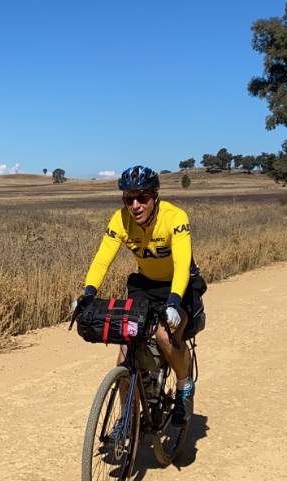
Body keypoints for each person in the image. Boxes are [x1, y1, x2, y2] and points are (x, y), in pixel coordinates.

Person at [74, 165, 206, 425]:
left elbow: (181, 265)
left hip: (179, 286)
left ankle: (183, 385)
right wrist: (88, 293)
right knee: (126, 343)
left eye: (142, 198)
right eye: (128, 198)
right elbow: (102, 260)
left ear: (155, 197)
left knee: (163, 334)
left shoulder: (175, 217)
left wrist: (174, 303)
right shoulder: (120, 219)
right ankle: (127, 420)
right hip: (145, 284)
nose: (135, 205)